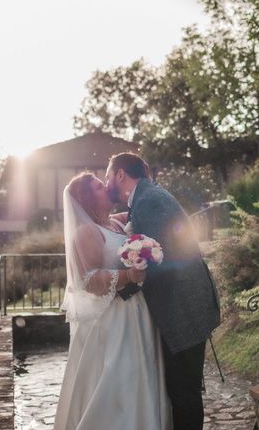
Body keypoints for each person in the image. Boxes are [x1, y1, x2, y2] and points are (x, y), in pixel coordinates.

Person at [104, 152, 221, 430]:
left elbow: (158, 260)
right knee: (182, 388)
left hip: (184, 308)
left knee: (184, 391)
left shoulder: (149, 201)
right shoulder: (145, 198)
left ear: (121, 174)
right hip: (183, 304)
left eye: (108, 176)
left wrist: (118, 288)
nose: (107, 181)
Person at [53, 172, 173, 430]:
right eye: (98, 187)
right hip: (114, 319)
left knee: (143, 375)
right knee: (121, 378)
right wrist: (129, 274)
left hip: (137, 312)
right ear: (87, 198)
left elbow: (139, 207)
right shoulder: (87, 232)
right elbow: (88, 280)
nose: (106, 188)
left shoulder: (116, 224)